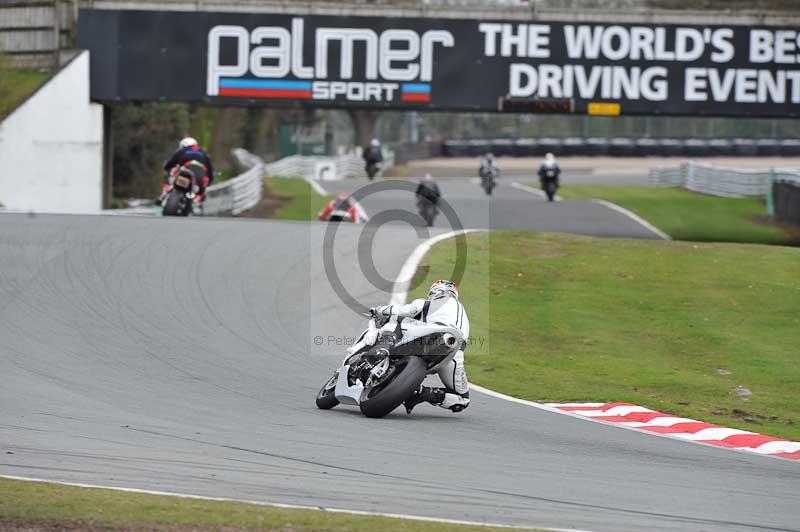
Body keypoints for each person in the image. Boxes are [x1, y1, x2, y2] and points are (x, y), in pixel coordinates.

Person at [365, 279, 471, 414]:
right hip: (453, 355)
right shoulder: (462, 312)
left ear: (435, 290)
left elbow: (406, 310)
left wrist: (378, 310)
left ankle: (383, 348)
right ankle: (420, 393)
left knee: (395, 318)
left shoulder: (434, 302)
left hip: (436, 333)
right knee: (463, 399)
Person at [162, 137, 214, 202]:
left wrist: (166, 167)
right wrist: (210, 181)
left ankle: (163, 196)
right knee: (201, 194)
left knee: (170, 179)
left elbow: (170, 163)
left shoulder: (182, 151)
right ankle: (198, 205)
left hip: (184, 174)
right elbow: (210, 170)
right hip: (198, 178)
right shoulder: (204, 153)